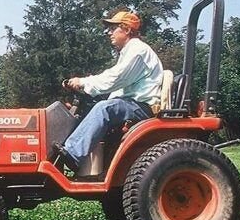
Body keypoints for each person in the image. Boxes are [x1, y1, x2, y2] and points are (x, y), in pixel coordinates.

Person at [57, 10, 163, 172]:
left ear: (127, 30)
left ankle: (72, 153)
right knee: (96, 105)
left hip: (141, 106)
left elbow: (115, 79)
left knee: (103, 108)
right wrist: (87, 86)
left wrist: (83, 82)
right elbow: (114, 81)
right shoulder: (129, 52)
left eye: (113, 29)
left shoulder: (137, 50)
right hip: (131, 103)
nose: (109, 33)